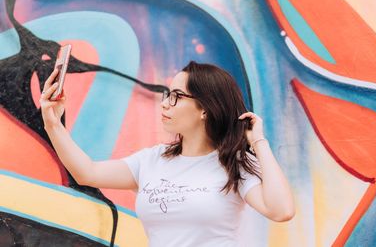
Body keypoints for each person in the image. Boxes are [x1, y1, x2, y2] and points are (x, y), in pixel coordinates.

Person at [40, 61, 295, 247]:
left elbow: (281, 210)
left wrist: (259, 142)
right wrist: (53, 123)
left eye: (176, 96)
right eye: (167, 94)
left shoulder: (233, 163)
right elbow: (88, 173)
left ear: (204, 109)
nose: (165, 103)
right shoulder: (153, 160)